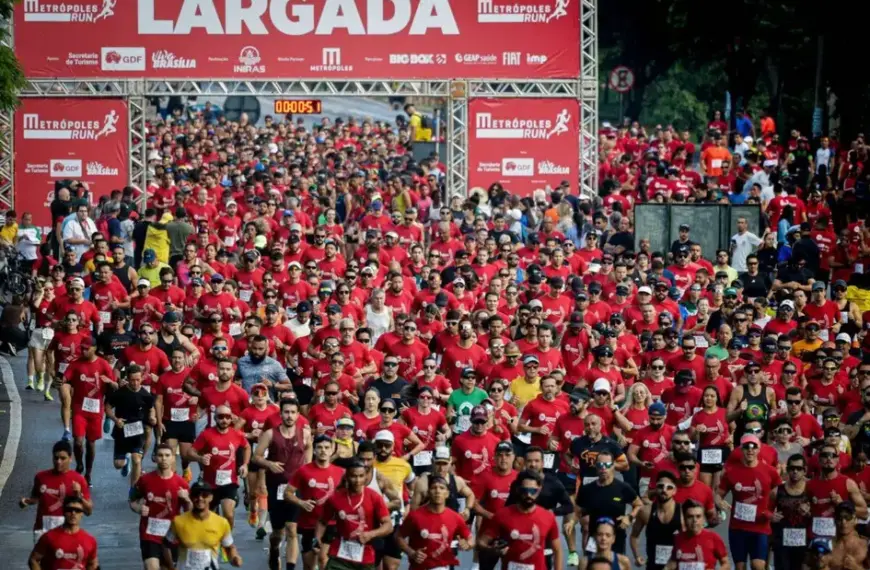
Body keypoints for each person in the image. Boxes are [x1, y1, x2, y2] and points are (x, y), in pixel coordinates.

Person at [253, 397, 313, 570]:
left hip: (296, 489)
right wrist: (269, 464)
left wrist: (307, 469)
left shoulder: (305, 433)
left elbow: (308, 448)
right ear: (281, 414)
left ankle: (290, 567)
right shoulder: (270, 434)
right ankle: (273, 549)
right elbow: (256, 457)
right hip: (276, 487)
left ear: (298, 415)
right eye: (286, 412)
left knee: (292, 529)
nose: (289, 416)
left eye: (293, 412)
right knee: (278, 533)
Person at [313, 459, 394, 569]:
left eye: (361, 476)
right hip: (340, 555)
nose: (357, 480)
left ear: (366, 476)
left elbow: (388, 526)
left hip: (365, 556)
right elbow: (322, 521)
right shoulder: (335, 498)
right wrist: (317, 538)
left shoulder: (374, 497)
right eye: (353, 476)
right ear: (346, 476)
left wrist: (370, 534)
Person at [717, 434, 781, 570]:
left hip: (760, 527)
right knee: (740, 567)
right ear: (741, 449)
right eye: (746, 447)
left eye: (754, 447)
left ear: (759, 449)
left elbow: (779, 493)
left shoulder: (770, 471)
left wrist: (771, 512)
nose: (750, 450)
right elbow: (718, 494)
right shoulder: (732, 472)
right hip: (738, 527)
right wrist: (720, 503)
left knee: (757, 565)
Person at [477, 469, 563, 570]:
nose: (528, 495)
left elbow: (557, 550)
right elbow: (481, 542)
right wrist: (493, 550)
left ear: (539, 489)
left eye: (533, 491)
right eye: (525, 490)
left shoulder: (548, 517)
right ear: (518, 489)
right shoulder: (502, 515)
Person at [186, 404, 250, 535]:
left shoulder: (236, 434)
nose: (224, 420)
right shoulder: (206, 435)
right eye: (221, 417)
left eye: (227, 417)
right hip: (210, 484)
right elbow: (190, 452)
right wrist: (200, 459)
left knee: (229, 514)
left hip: (229, 482)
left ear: (231, 418)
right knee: (209, 517)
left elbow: (247, 447)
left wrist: (245, 464)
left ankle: (227, 540)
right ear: (215, 418)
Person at [285, 434, 345, 570]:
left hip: (331, 523)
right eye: (320, 447)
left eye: (326, 447)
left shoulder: (341, 472)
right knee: (309, 564)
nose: (323, 450)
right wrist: (301, 503)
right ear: (315, 450)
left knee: (323, 559)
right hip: (308, 524)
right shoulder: (303, 471)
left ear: (332, 450)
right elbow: (287, 493)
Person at [129, 443, 192, 570]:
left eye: (167, 455)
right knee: (152, 566)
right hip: (149, 534)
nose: (164, 458)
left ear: (173, 458)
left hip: (172, 535)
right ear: (155, 458)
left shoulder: (181, 483)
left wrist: (187, 499)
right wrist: (138, 508)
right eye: (160, 455)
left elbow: (190, 512)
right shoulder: (145, 480)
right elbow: (132, 500)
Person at [64, 336, 117, 485]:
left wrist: (111, 383)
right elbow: (66, 377)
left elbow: (114, 387)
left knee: (91, 443)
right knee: (78, 442)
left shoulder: (103, 365)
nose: (84, 351)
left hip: (95, 409)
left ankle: (88, 471)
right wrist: (61, 380)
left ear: (94, 349)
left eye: (87, 349)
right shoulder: (76, 364)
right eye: (82, 348)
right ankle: (79, 463)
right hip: (79, 408)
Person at [19, 440, 92, 541]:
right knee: (37, 557)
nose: (58, 462)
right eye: (56, 458)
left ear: (71, 459)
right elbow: (35, 498)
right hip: (42, 530)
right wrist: (26, 501)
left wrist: (79, 495)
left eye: (63, 458)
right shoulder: (41, 477)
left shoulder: (79, 480)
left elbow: (89, 511)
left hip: (66, 531)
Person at [576, 449, 643, 557]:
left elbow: (639, 504)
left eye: (607, 465)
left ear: (613, 466)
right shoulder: (586, 489)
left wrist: (629, 517)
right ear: (596, 467)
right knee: (591, 565)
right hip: (594, 538)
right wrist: (574, 522)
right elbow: (577, 510)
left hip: (616, 537)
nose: (604, 468)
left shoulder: (623, 488)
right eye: (600, 464)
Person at [397, 475, 473, 570]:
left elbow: (470, 538)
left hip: (442, 566)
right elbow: (398, 537)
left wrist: (467, 544)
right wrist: (411, 553)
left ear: (447, 494)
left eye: (441, 488)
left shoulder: (455, 517)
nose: (437, 491)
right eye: (433, 488)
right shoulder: (415, 516)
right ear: (428, 493)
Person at [163, 480, 243, 569]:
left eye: (204, 495)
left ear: (211, 497)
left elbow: (229, 547)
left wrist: (234, 558)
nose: (200, 498)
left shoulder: (221, 523)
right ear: (191, 497)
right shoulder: (178, 521)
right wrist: (170, 566)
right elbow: (165, 545)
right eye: (196, 495)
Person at [105, 364, 156, 491]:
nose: (135, 383)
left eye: (138, 380)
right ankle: (125, 461)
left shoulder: (146, 395)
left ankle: (133, 490)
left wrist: (152, 417)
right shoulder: (120, 393)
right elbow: (107, 408)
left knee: (137, 460)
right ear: (127, 378)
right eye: (132, 380)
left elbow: (151, 409)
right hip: (122, 429)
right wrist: (115, 419)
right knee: (118, 464)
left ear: (141, 379)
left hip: (138, 430)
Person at [28, 495, 99, 570]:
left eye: (77, 510)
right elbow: (33, 560)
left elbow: (92, 564)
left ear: (82, 514)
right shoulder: (49, 537)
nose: (73, 513)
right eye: (69, 510)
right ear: (64, 512)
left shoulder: (90, 540)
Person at [630, 470, 682, 570]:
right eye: (661, 486)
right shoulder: (645, 512)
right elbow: (634, 535)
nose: (664, 490)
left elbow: (694, 538)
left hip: (677, 566)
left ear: (674, 491)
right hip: (653, 566)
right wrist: (637, 556)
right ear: (656, 489)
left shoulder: (682, 512)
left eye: (669, 487)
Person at [666, 500, 730, 570]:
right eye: (690, 516)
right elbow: (673, 562)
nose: (694, 520)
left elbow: (726, 564)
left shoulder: (713, 538)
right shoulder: (677, 538)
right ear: (684, 518)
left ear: (703, 519)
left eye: (698, 516)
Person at [829, 501, 867, 570]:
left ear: (855, 520)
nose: (844, 522)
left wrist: (856, 568)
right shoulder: (828, 545)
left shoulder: (865, 544)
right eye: (840, 518)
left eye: (847, 517)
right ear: (835, 521)